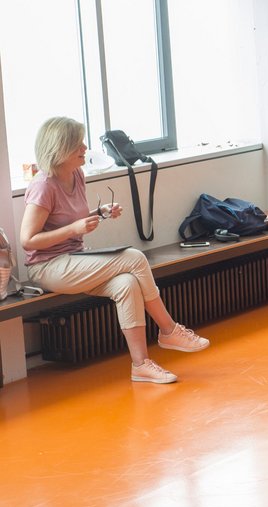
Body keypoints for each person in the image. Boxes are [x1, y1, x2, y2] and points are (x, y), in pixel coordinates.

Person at [19, 117, 209, 384]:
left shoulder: (77, 174)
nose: (85, 147)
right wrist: (74, 229)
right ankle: (168, 329)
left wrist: (99, 213)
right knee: (134, 258)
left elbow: (69, 219)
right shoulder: (43, 186)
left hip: (75, 259)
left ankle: (140, 365)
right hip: (47, 267)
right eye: (78, 144)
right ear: (61, 148)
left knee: (126, 283)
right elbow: (28, 240)